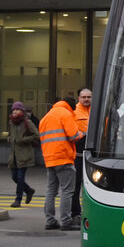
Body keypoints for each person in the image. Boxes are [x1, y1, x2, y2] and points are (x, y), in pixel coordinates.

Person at [39, 96, 84, 231]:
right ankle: (66, 221)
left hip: (49, 158)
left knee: (51, 191)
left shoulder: (46, 117)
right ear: (71, 106)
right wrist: (81, 133)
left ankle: (50, 220)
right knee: (67, 191)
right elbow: (74, 135)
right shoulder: (66, 114)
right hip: (64, 157)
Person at [7, 101, 40, 208]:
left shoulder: (27, 122)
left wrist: (23, 139)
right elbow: (11, 135)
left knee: (20, 178)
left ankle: (18, 199)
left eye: (17, 109)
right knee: (14, 177)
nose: (15, 111)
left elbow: (37, 135)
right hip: (14, 155)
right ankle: (29, 190)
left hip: (25, 155)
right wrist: (10, 139)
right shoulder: (12, 122)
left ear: (22, 111)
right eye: (14, 110)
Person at [71, 88, 92, 219]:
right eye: (83, 97)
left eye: (89, 97)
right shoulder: (73, 113)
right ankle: (75, 212)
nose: (86, 99)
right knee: (76, 185)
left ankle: (89, 212)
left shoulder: (97, 111)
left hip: (93, 155)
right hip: (78, 155)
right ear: (79, 98)